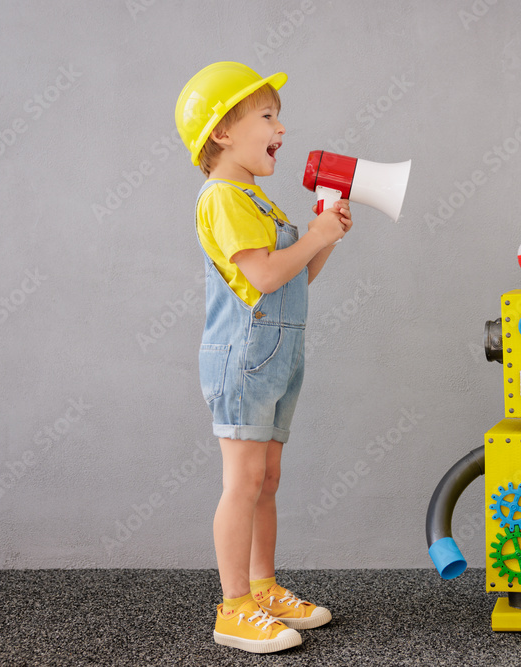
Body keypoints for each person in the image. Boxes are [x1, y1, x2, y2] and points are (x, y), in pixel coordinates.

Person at [175, 62, 352, 654]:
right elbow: (265, 274)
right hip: (243, 357)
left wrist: (325, 238)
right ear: (222, 132)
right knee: (244, 481)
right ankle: (233, 608)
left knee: (267, 479)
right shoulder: (222, 197)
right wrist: (318, 235)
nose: (283, 126)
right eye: (268, 116)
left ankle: (263, 586)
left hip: (277, 351)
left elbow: (297, 275)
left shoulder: (257, 199)